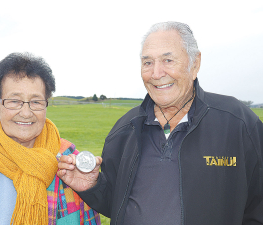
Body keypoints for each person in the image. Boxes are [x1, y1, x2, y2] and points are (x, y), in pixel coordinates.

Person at [58, 21, 263, 224]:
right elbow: (117, 204)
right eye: (147, 62)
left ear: (195, 64)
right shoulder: (123, 130)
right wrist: (92, 186)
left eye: (168, 60)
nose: (156, 74)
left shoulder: (238, 123)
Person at [0, 52, 101, 225]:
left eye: (36, 102)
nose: (26, 113)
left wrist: (92, 189)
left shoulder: (70, 162)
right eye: (14, 101)